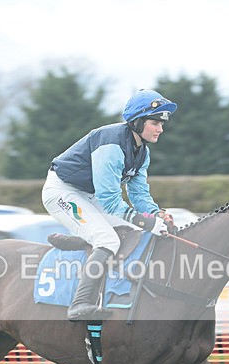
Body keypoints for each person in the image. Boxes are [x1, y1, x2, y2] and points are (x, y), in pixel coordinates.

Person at [42, 89, 177, 321]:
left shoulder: (142, 152)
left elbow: (139, 194)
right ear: (137, 121)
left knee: (133, 231)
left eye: (161, 124)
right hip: (63, 192)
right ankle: (80, 304)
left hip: (88, 195)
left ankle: (83, 240)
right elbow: (110, 200)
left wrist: (156, 213)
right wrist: (146, 221)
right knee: (107, 239)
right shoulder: (112, 143)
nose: (160, 129)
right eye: (155, 122)